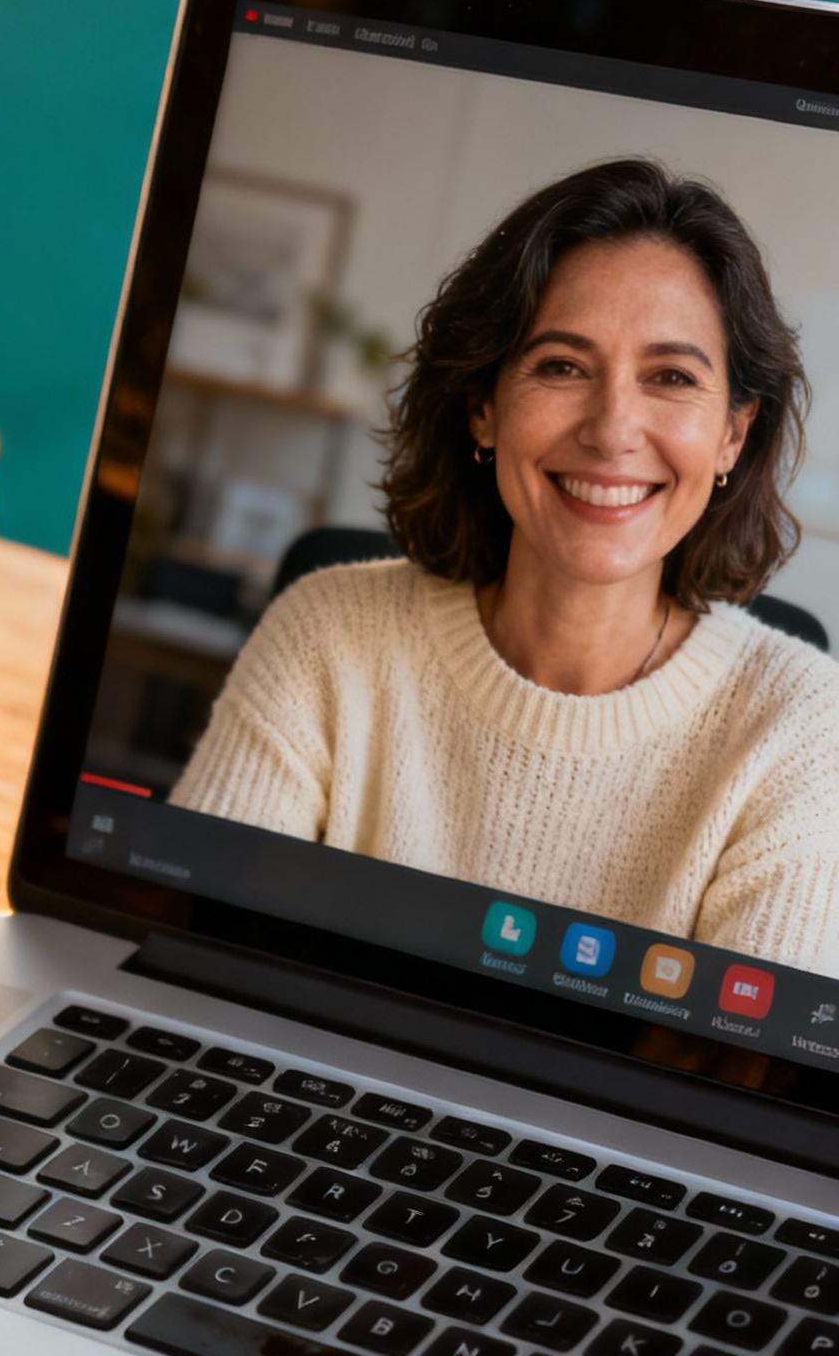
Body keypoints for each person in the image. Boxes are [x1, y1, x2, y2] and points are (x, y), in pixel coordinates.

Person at [171, 158, 839, 973]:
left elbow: (735, 1078)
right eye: (561, 366)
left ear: (734, 433)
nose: (612, 429)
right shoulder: (327, 632)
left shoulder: (803, 725)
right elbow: (193, 951)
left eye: (671, 377)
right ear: (484, 405)